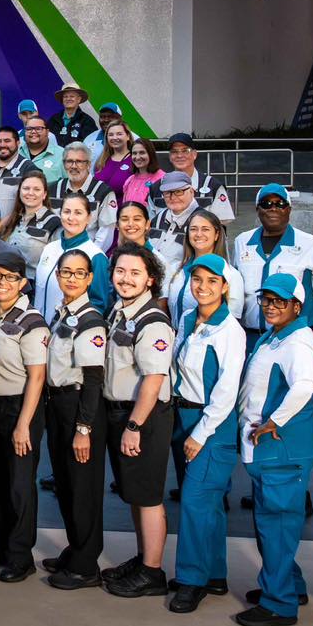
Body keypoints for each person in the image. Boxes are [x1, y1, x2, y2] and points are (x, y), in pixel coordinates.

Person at [233, 272, 313, 626]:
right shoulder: (276, 335)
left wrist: (274, 421)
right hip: (270, 450)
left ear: (297, 306)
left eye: (280, 301)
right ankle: (289, 586)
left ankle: (279, 604)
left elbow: (304, 385)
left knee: (277, 526)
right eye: (266, 300)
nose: (271, 307)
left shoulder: (298, 342)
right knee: (273, 525)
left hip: (282, 450)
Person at [165, 255, 246, 613]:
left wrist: (201, 432)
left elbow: (227, 389)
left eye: (212, 281)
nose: (203, 287)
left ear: (225, 287)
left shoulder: (230, 330)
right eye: (197, 279)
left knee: (196, 501)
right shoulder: (187, 317)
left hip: (210, 423)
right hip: (182, 415)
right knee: (207, 502)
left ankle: (191, 580)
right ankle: (214, 573)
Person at [101, 245, 175, 600]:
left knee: (147, 496)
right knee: (134, 492)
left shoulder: (153, 321)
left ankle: (153, 572)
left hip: (143, 417)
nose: (125, 279)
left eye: (134, 273)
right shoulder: (120, 311)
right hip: (122, 413)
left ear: (150, 279)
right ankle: (144, 557)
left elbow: (154, 379)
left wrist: (134, 427)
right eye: (120, 271)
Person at [42, 250, 109, 591]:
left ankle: (86, 565)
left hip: (79, 408)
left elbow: (94, 379)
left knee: (83, 488)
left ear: (89, 278)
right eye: (65, 272)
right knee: (66, 484)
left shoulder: (90, 320)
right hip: (58, 404)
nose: (71, 278)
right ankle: (76, 548)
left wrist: (84, 428)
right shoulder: (62, 314)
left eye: (79, 273)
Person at [0, 251, 49, 583]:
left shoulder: (32, 321)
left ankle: (21, 555)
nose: (2, 283)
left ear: (23, 282)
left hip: (21, 407)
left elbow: (37, 377)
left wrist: (23, 424)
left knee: (19, 484)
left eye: (11, 277)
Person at [233, 184, 313, 344]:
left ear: (289, 209)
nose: (273, 208)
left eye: (280, 204)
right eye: (266, 204)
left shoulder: (311, 244)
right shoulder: (241, 242)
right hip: (249, 338)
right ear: (257, 210)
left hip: (294, 340)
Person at [34, 192, 110, 314]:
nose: (71, 218)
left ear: (89, 218)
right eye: (67, 212)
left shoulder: (96, 256)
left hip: (68, 325)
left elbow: (98, 304)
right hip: (37, 323)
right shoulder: (48, 248)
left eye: (78, 213)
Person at [48, 84, 97, 149]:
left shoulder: (87, 121)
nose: (68, 99)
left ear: (79, 99)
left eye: (72, 96)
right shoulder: (53, 119)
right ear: (62, 100)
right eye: (65, 97)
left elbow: (89, 145)